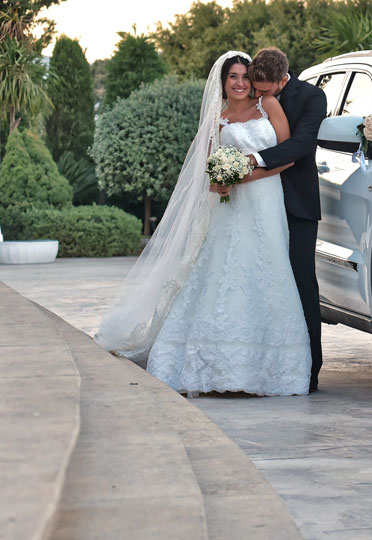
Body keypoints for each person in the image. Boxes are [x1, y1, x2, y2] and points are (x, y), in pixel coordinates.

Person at [95, 51, 311, 396]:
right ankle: (213, 366)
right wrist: (223, 179)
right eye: (232, 77)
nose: (239, 83)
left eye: (244, 76)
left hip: (267, 202)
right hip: (230, 208)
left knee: (268, 271)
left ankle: (269, 370)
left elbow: (287, 157)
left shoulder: (268, 105)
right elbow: (210, 171)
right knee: (223, 274)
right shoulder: (217, 118)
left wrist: (244, 175)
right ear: (223, 82)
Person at [247, 47, 326, 393]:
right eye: (256, 88)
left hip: (297, 204)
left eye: (265, 90)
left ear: (283, 79)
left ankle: (309, 368)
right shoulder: (246, 92)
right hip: (252, 204)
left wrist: (253, 160)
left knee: (301, 283)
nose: (258, 95)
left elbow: (302, 144)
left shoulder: (312, 97)